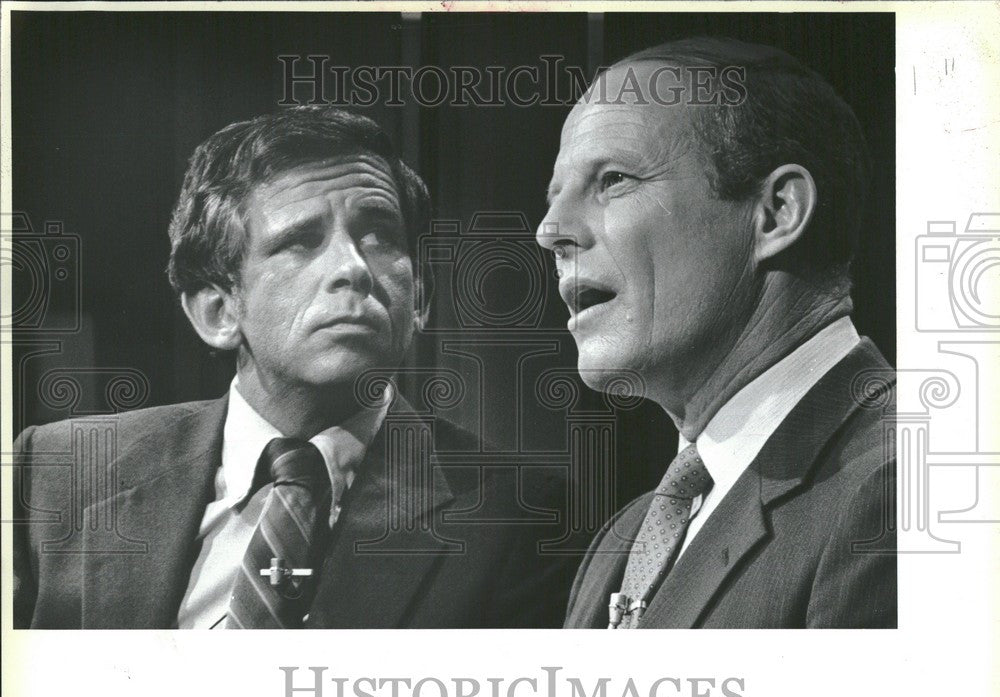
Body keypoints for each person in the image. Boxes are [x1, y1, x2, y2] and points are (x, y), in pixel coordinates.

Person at [14, 105, 572, 629]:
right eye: (301, 242)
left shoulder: (523, 516)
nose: (354, 269)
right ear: (219, 311)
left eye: (380, 235)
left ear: (420, 298)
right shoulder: (55, 470)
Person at [536, 37, 896, 629]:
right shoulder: (621, 541)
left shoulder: (902, 486)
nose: (551, 231)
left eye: (614, 179)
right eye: (555, 197)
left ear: (776, 213)